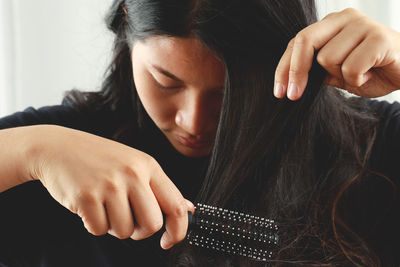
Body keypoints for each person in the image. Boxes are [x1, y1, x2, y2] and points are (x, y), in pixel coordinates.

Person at [0, 0, 399, 266]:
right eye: (166, 81)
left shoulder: (376, 146)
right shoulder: (54, 154)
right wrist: (30, 151)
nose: (193, 122)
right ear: (125, 25)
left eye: (230, 94)